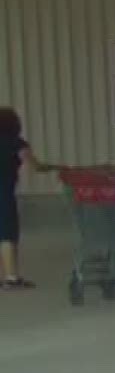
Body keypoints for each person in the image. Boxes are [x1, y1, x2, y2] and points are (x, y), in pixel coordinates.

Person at [0, 107, 56, 289]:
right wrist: (54, 167)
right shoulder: (18, 144)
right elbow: (36, 166)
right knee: (7, 234)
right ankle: (11, 277)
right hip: (4, 193)